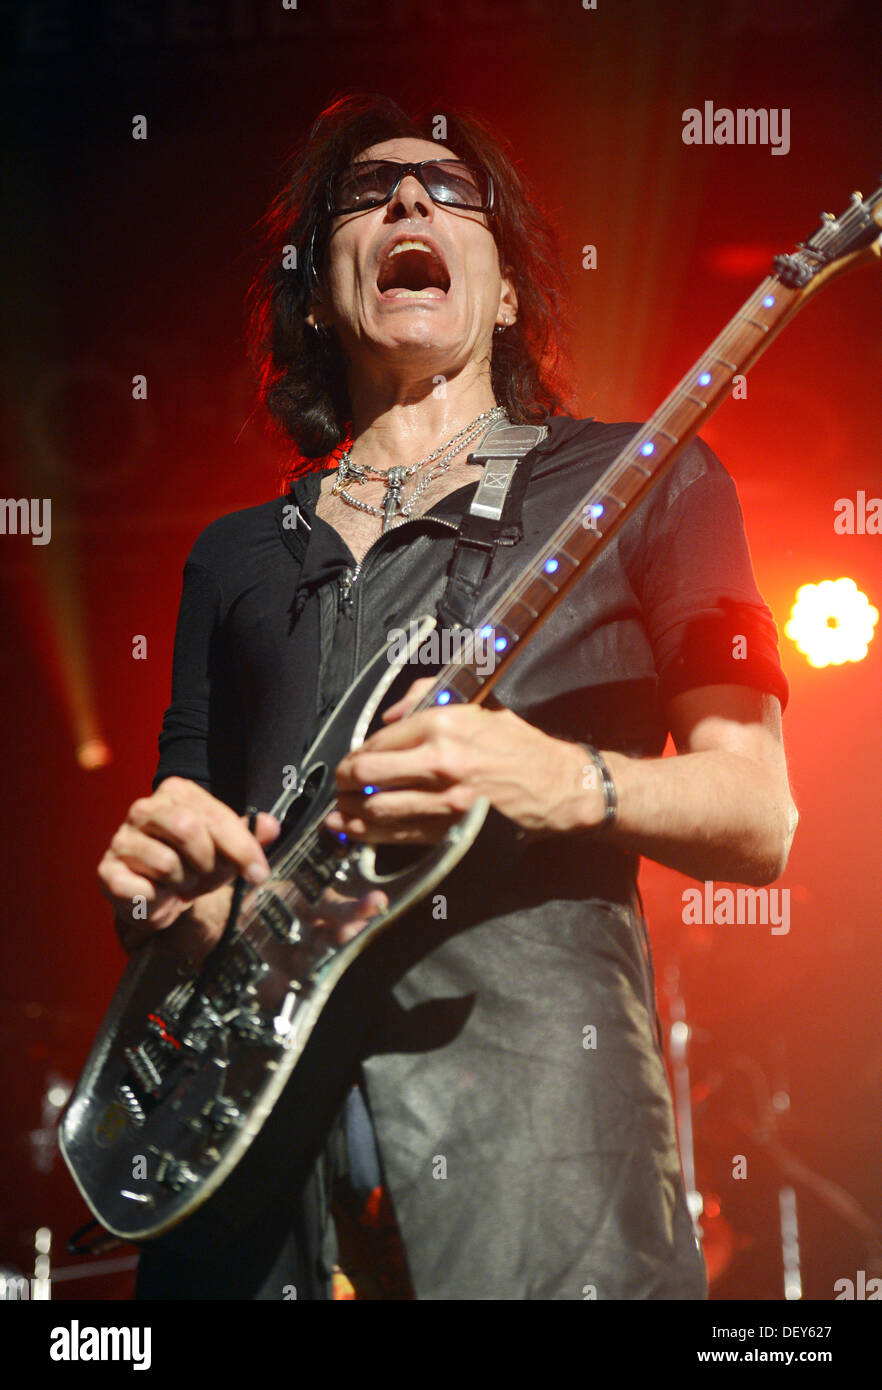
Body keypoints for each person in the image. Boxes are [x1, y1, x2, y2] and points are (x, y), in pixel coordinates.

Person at [98, 94, 797, 1300]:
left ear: (509, 290)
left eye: (449, 190)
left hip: (536, 1145)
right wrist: (167, 897)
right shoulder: (232, 556)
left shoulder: (648, 480)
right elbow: (197, 866)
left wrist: (556, 777)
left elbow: (759, 815)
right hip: (251, 1160)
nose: (410, 200)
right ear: (318, 291)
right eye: (367, 195)